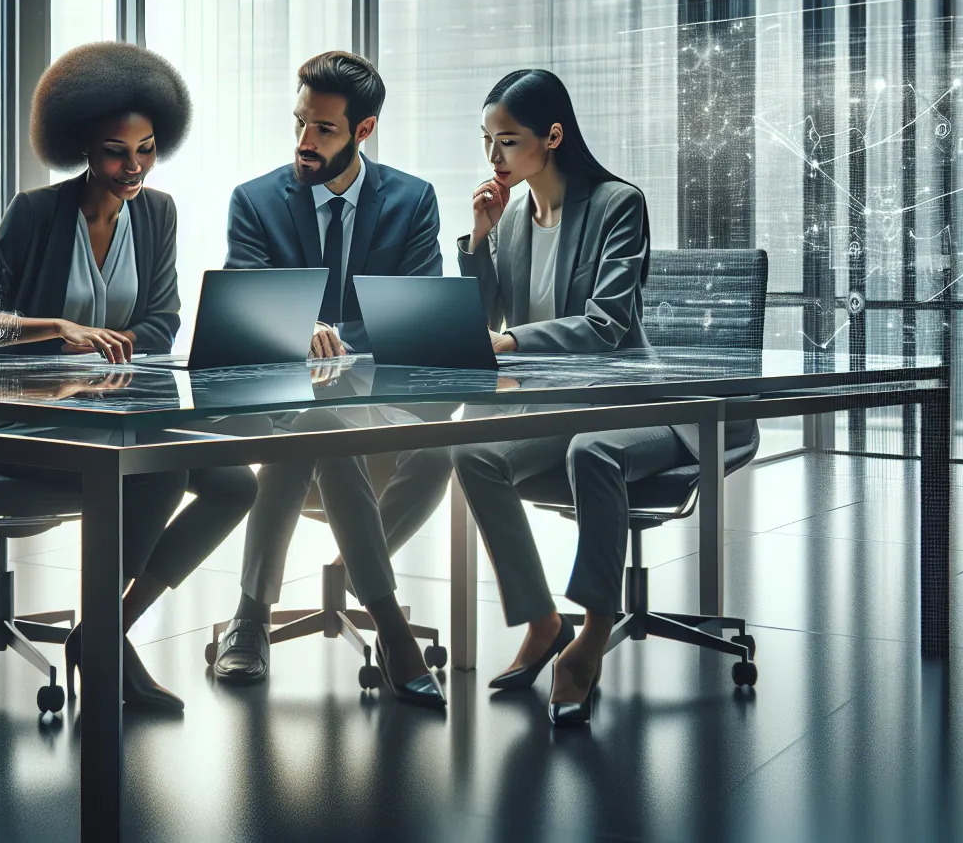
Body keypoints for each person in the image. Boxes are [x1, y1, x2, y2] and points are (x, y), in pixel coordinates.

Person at [0, 41, 256, 713]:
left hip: (111, 409)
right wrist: (57, 328)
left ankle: (105, 628)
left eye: (147, 149)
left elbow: (161, 321)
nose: (134, 166)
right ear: (83, 147)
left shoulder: (157, 212)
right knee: (163, 468)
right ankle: (109, 649)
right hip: (24, 414)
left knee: (234, 483)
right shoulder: (35, 214)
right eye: (119, 151)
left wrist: (107, 363)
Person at [209, 50, 451, 709]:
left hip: (370, 402)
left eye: (323, 129)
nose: (304, 142)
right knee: (318, 426)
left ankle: (264, 611)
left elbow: (417, 308)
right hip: (279, 404)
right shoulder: (256, 201)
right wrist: (299, 331)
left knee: (444, 449)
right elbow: (250, 305)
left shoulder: (412, 200)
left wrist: (343, 343)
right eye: (299, 124)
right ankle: (391, 626)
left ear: (363, 131)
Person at [447, 68, 676, 726]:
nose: (493, 158)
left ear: (552, 135)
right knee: (473, 452)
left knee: (593, 451)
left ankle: (592, 636)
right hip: (552, 404)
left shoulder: (616, 204)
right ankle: (543, 620)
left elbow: (609, 324)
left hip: (627, 404)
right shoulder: (514, 217)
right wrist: (481, 239)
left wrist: (512, 342)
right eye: (487, 142)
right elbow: (483, 318)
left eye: (507, 142)